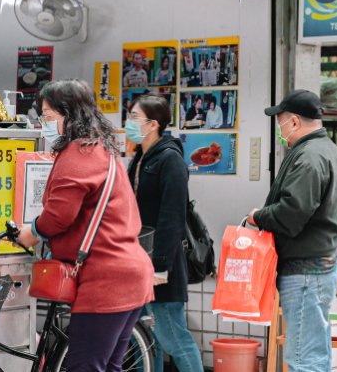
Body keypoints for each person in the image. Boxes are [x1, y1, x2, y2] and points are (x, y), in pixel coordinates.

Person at [18, 79, 154, 372]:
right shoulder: (103, 149)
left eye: (49, 116)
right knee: (109, 367)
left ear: (70, 114)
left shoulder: (80, 152)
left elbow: (59, 214)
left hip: (107, 279)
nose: (44, 123)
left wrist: (31, 232)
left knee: (86, 367)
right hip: (130, 274)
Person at [244, 89, 337, 372]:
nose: (279, 129)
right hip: (320, 268)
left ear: (294, 122)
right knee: (314, 354)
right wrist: (329, 221)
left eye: (281, 121)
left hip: (305, 273)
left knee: (302, 359)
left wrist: (257, 217)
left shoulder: (309, 156)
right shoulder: (330, 150)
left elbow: (292, 213)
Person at [126, 95, 204, 372]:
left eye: (134, 117)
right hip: (138, 262)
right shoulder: (140, 158)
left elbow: (172, 218)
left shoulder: (170, 160)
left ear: (152, 125)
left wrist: (160, 267)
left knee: (174, 338)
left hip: (162, 265)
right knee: (147, 341)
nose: (128, 122)